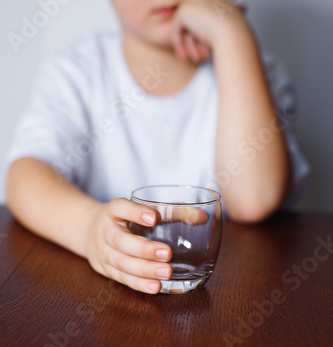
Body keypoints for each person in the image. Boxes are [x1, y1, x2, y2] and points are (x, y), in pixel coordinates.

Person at [5, 0, 309, 294]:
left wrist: (232, 33)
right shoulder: (76, 71)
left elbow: (254, 198)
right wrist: (88, 230)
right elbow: (25, 175)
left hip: (234, 285)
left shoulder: (253, 69)